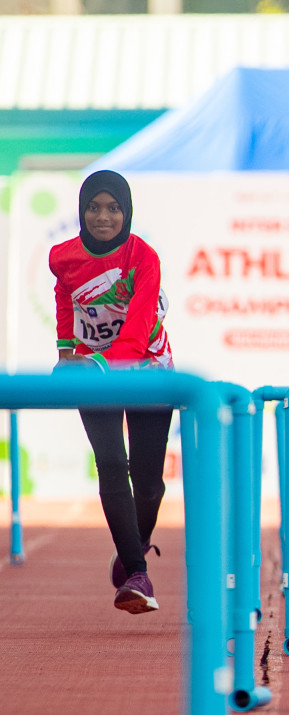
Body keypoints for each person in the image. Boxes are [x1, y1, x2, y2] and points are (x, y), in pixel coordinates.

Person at [50, 170, 174, 614]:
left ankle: (132, 551)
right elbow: (65, 296)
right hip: (90, 367)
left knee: (149, 485)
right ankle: (138, 574)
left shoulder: (144, 256)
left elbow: (140, 328)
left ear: (127, 212)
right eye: (94, 207)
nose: (103, 217)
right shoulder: (62, 257)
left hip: (148, 368)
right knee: (110, 464)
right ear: (82, 212)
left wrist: (99, 364)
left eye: (113, 208)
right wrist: (67, 351)